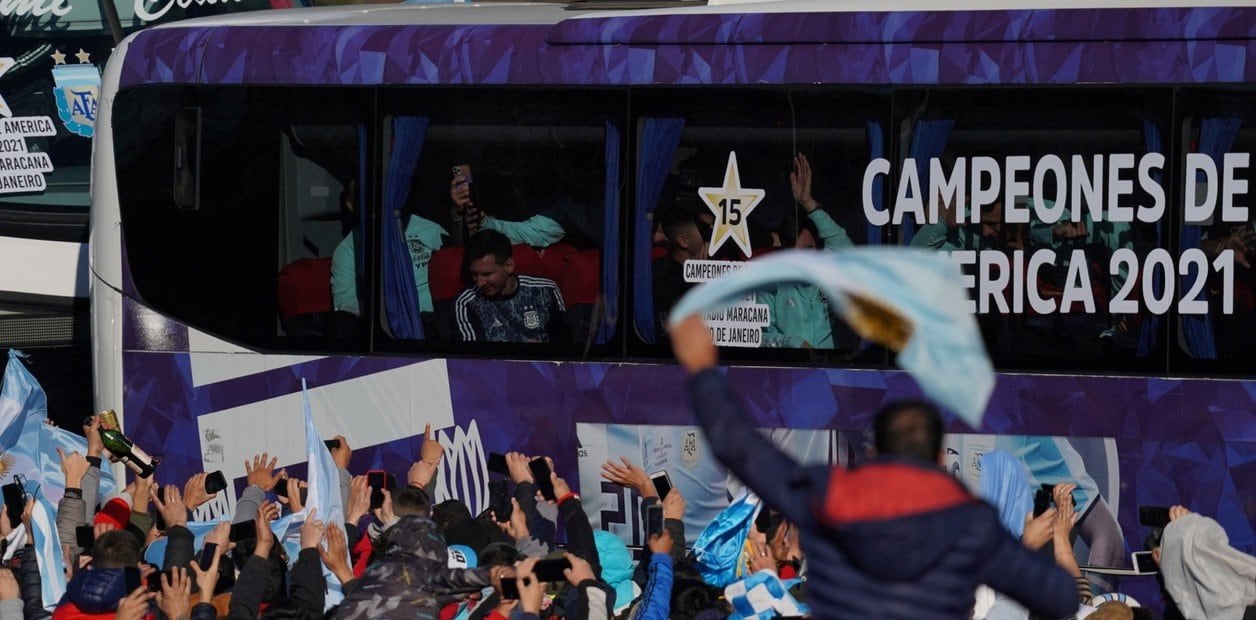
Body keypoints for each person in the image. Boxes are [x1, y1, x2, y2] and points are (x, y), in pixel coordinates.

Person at [668, 314, 1078, 619]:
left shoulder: (828, 495)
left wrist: (703, 371)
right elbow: (1061, 598)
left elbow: (737, 447)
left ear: (874, 450)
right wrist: (1050, 541)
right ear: (939, 457)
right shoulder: (969, 524)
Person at [757, 153, 854, 349]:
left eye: (808, 251)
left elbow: (845, 248)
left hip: (834, 367)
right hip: (791, 372)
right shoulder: (771, 283)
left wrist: (810, 205)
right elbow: (759, 335)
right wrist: (795, 345)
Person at [330, 178, 448, 321]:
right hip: (388, 325)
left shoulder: (428, 229)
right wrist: (384, 314)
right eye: (366, 199)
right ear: (351, 204)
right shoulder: (348, 249)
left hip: (434, 319)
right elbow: (344, 300)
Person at [453, 229, 568, 343]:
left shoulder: (546, 290)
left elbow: (564, 346)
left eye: (486, 274)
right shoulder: (467, 303)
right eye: (474, 275)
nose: (479, 283)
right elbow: (472, 356)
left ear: (509, 266)